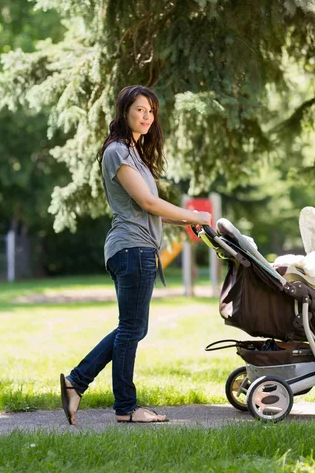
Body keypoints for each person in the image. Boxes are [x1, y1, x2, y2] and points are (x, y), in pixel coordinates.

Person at [60, 85, 211, 424]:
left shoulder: (135, 154)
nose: (146, 116)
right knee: (131, 329)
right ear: (125, 110)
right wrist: (195, 214)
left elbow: (154, 211)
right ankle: (125, 407)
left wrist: (190, 222)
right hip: (131, 248)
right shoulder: (117, 151)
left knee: (132, 328)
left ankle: (77, 383)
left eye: (151, 111)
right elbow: (147, 203)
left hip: (136, 248)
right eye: (140, 109)